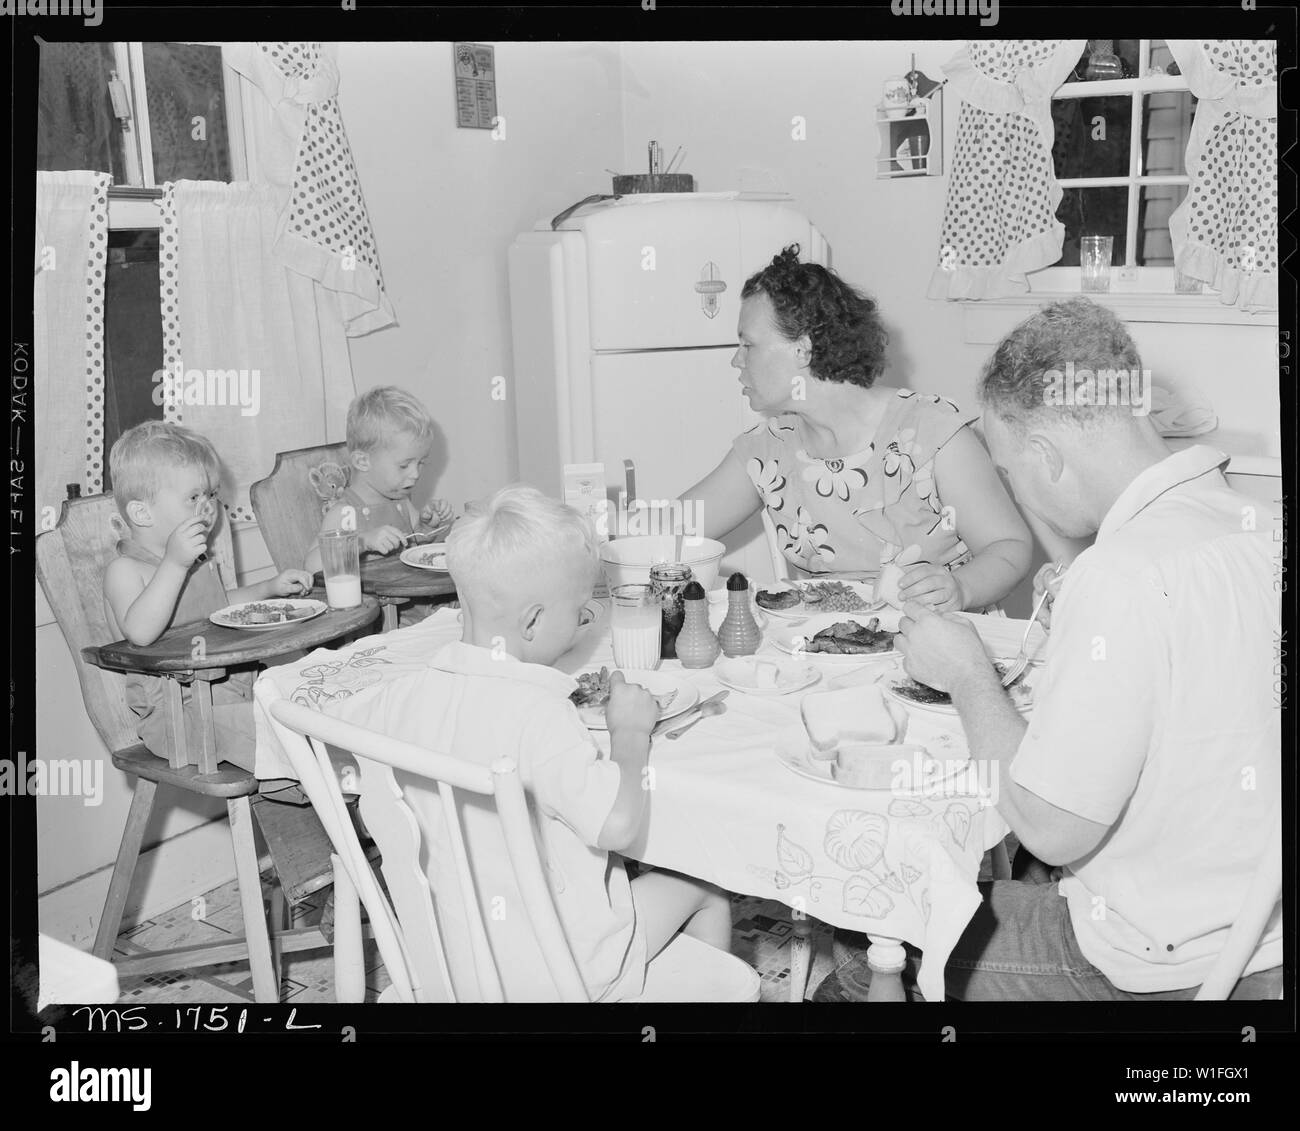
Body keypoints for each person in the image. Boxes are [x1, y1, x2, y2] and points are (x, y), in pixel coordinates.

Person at [815, 298, 1282, 1001]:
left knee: (859, 939)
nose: (1012, 485)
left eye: (1008, 468)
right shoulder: (1258, 525)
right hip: (1260, 922)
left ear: (1044, 455)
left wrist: (968, 675)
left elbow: (1049, 828)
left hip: (1155, 961)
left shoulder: (1121, 576)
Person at [298, 485, 735, 1000]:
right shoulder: (541, 719)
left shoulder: (401, 698)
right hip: (562, 978)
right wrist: (631, 732)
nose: (582, 625)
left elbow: (320, 722)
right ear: (531, 621)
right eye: (578, 614)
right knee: (709, 889)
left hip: (445, 970)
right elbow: (617, 825)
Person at [679, 245, 1032, 611]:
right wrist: (615, 519)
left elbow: (1008, 546)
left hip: (941, 648)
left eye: (748, 344)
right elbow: (672, 529)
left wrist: (961, 588)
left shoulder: (932, 433)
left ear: (802, 349)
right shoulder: (767, 450)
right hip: (825, 656)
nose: (736, 360)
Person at [102, 421, 315, 797]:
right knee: (273, 726)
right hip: (177, 716)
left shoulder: (193, 564)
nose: (208, 508)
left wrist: (267, 588)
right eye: (193, 497)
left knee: (305, 698)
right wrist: (173, 564)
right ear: (142, 513)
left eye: (211, 495)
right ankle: (330, 802)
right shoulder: (126, 570)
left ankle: (329, 799)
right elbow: (140, 631)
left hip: (230, 688)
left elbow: (219, 607)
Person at [304, 386, 454, 572]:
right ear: (362, 461)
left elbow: (417, 543)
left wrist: (426, 527)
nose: (415, 474)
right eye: (404, 465)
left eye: (421, 463)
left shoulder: (401, 503)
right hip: (366, 601)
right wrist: (362, 542)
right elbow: (311, 566)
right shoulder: (345, 513)